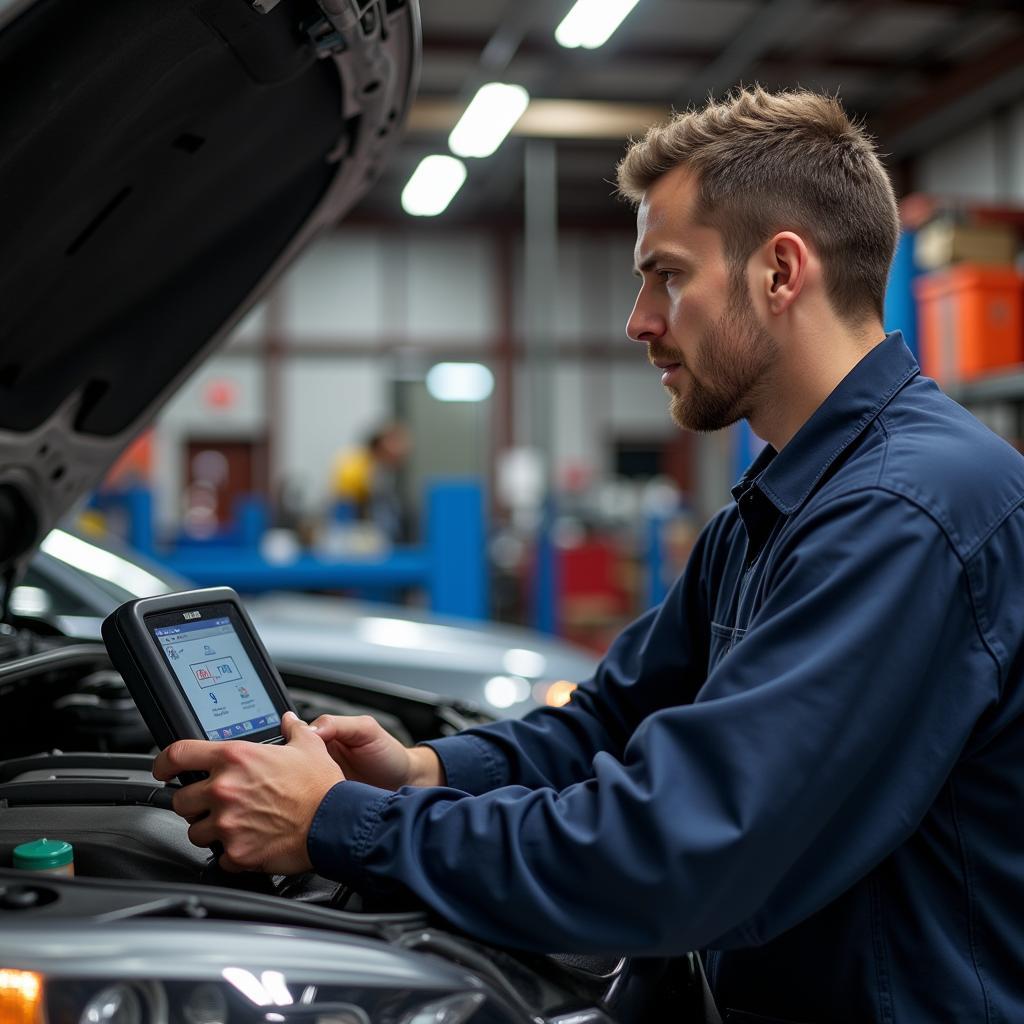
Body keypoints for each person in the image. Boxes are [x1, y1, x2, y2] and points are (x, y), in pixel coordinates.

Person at [153, 87, 1024, 1022]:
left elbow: (679, 851)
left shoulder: (904, 513)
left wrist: (336, 823)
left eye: (668, 275)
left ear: (780, 272)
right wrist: (422, 773)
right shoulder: (783, 505)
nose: (639, 319)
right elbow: (611, 721)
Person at [330, 422, 410, 542]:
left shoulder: (384, 470)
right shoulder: (356, 464)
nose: (402, 450)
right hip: (353, 523)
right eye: (396, 442)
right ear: (381, 445)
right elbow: (347, 500)